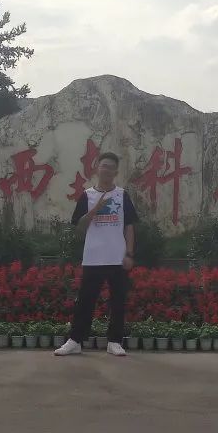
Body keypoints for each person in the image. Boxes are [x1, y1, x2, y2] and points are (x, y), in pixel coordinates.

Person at [54, 152, 138, 357]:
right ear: (97, 169)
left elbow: (129, 226)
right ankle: (75, 341)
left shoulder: (122, 195)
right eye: (104, 166)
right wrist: (95, 210)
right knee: (85, 301)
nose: (107, 170)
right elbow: (79, 228)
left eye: (111, 167)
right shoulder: (87, 195)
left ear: (116, 172)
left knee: (118, 301)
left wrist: (129, 253)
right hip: (93, 257)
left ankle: (115, 342)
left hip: (117, 257)